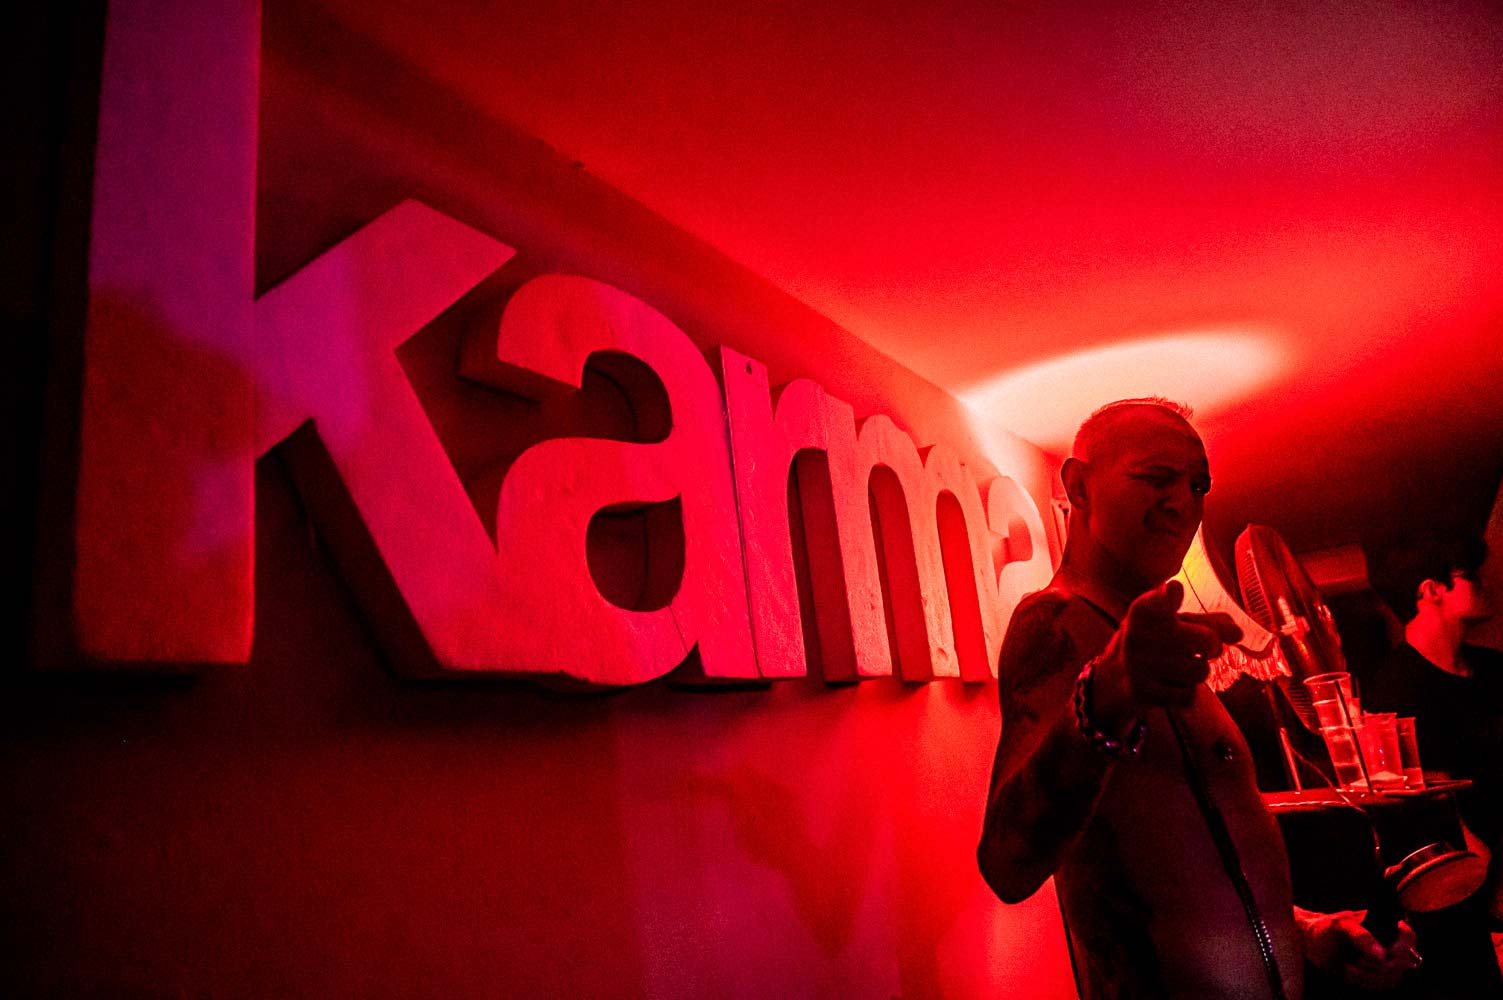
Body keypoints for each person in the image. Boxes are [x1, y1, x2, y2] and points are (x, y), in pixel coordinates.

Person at [977, 398, 1419, 999]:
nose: (1183, 502)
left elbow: (1191, 870)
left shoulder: (1157, 646)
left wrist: (1308, 933)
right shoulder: (1054, 625)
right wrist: (1104, 697)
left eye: (1197, 485)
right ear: (1078, 487)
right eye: (1156, 477)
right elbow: (1006, 864)